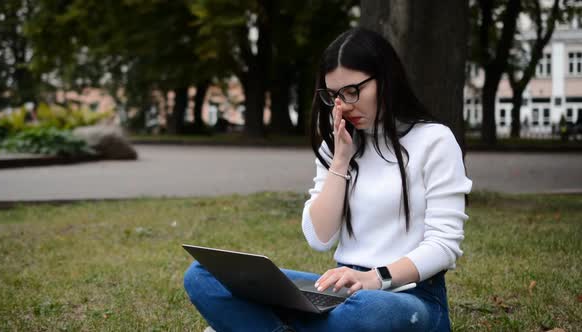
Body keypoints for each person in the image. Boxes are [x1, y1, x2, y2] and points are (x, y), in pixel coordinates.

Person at [184, 27, 472, 332]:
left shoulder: (434, 141)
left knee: (368, 311)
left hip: (408, 297)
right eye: (333, 95)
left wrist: (373, 279)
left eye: (352, 91)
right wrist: (340, 160)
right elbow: (319, 238)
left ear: (386, 80)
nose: (343, 106)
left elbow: (443, 246)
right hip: (340, 290)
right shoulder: (338, 145)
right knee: (202, 275)